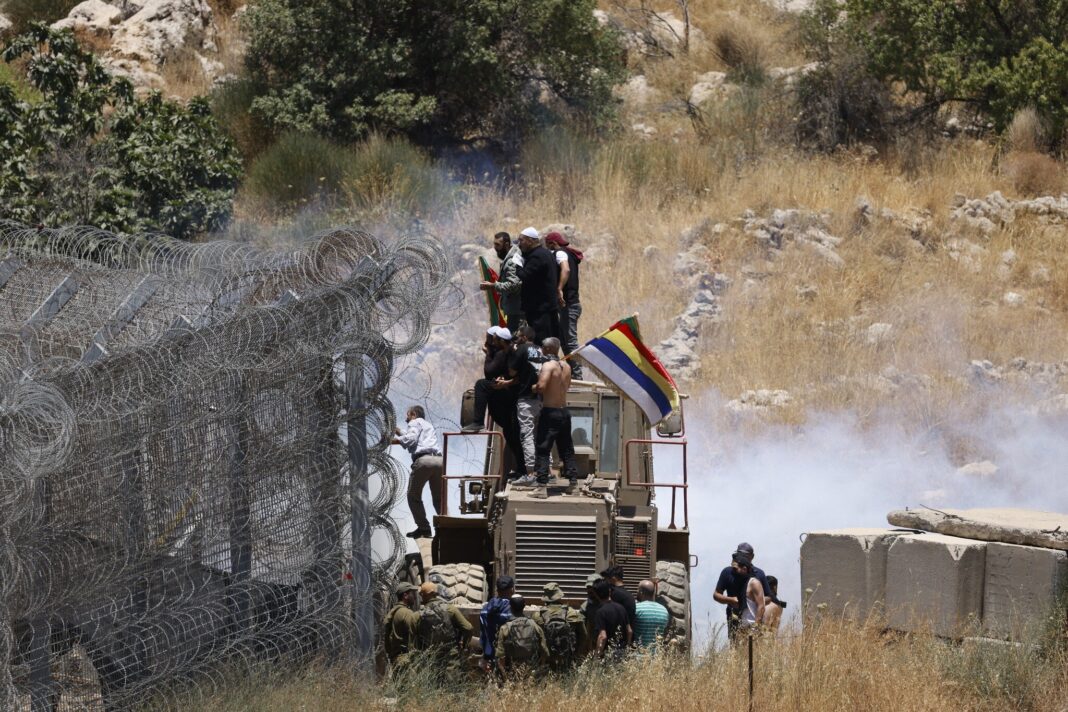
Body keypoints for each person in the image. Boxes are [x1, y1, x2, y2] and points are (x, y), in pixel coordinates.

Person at [465, 326, 524, 475]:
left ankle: (478, 422)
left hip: (509, 392)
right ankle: (521, 468)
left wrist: (488, 354)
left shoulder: (501, 353)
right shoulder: (504, 351)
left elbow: (489, 372)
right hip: (508, 392)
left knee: (481, 385)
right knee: (510, 434)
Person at [530, 337, 578, 498]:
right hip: (564, 412)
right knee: (567, 449)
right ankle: (573, 485)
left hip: (550, 412)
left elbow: (542, 387)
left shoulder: (548, 366)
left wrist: (533, 387)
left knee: (543, 448)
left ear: (549, 349)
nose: (541, 350)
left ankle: (541, 487)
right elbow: (567, 386)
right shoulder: (567, 366)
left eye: (543, 347)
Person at [498, 325, 545, 481]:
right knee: (539, 436)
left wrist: (512, 353)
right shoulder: (540, 350)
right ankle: (544, 470)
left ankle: (530, 473)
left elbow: (512, 371)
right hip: (539, 398)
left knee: (527, 436)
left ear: (524, 337)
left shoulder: (522, 349)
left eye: (518, 336)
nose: (516, 339)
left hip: (526, 398)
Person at [393, 406, 442, 539]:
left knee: (413, 496)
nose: (406, 419)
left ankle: (424, 528)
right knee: (439, 498)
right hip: (439, 461)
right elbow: (410, 435)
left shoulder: (414, 422)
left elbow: (411, 439)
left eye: (408, 416)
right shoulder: (427, 425)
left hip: (424, 461)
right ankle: (446, 527)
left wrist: (391, 441)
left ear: (414, 414)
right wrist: (396, 430)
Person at [545, 231, 584, 380]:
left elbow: (565, 269)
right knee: (564, 340)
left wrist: (559, 288)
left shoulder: (560, 253)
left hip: (570, 305)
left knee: (571, 342)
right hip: (568, 306)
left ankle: (578, 375)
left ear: (553, 244)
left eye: (548, 245)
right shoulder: (568, 253)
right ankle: (573, 373)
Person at [515, 227, 560, 345]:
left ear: (530, 241)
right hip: (548, 306)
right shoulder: (545, 253)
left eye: (521, 240)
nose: (519, 244)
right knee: (549, 340)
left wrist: (517, 264)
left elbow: (524, 275)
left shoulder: (536, 256)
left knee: (541, 340)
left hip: (539, 308)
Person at [417, 581, 474, 671]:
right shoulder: (450, 609)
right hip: (451, 658)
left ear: (422, 595)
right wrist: (464, 645)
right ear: (436, 593)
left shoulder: (419, 614)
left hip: (430, 660)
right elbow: (468, 628)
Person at [534, 582, 586, 671]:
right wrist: (577, 653)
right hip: (567, 657)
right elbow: (584, 635)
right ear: (559, 596)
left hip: (546, 659)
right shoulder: (571, 612)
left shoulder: (537, 615)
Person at [714, 552, 764, 642]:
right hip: (739, 627)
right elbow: (716, 595)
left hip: (751, 627)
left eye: (735, 568)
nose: (732, 571)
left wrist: (755, 628)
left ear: (744, 569)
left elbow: (761, 606)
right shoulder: (734, 579)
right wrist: (731, 600)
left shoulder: (754, 583)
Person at [480, 231, 524, 331]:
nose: (495, 248)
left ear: (506, 244)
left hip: (515, 309)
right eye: (494, 244)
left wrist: (493, 286)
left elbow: (513, 284)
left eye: (498, 245)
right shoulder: (512, 256)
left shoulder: (511, 261)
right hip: (514, 308)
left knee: (514, 336)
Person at [495, 594, 549, 677]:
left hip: (512, 671)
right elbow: (544, 649)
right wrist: (541, 668)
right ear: (524, 606)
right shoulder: (534, 625)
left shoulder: (505, 628)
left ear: (510, 607)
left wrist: (505, 677)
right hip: (532, 669)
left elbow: (500, 655)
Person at [479, 575, 516, 674]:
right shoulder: (512, 611)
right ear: (512, 590)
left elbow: (482, 635)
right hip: (507, 657)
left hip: (489, 655)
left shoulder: (484, 610)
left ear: (497, 590)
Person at [382, 582, 421, 667]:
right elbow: (416, 632)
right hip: (405, 659)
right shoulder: (406, 613)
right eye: (412, 594)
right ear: (405, 595)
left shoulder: (395, 610)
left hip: (397, 658)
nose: (414, 597)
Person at [591, 579, 631, 659]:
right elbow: (629, 631)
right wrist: (627, 648)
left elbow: (603, 636)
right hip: (622, 653)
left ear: (596, 594)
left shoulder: (600, 612)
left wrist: (596, 657)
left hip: (608, 655)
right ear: (609, 591)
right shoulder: (621, 608)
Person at [633, 579, 671, 651]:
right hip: (658, 656)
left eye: (637, 589)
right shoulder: (664, 610)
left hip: (639, 655)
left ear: (641, 592)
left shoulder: (636, 608)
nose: (636, 591)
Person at [600, 565, 637, 630]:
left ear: (613, 578)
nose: (605, 581)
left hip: (615, 633)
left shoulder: (613, 593)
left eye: (606, 578)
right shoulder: (629, 595)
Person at [580, 573, 603, 654]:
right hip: (591, 647)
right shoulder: (585, 607)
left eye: (592, 588)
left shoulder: (608, 605)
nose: (590, 590)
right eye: (588, 588)